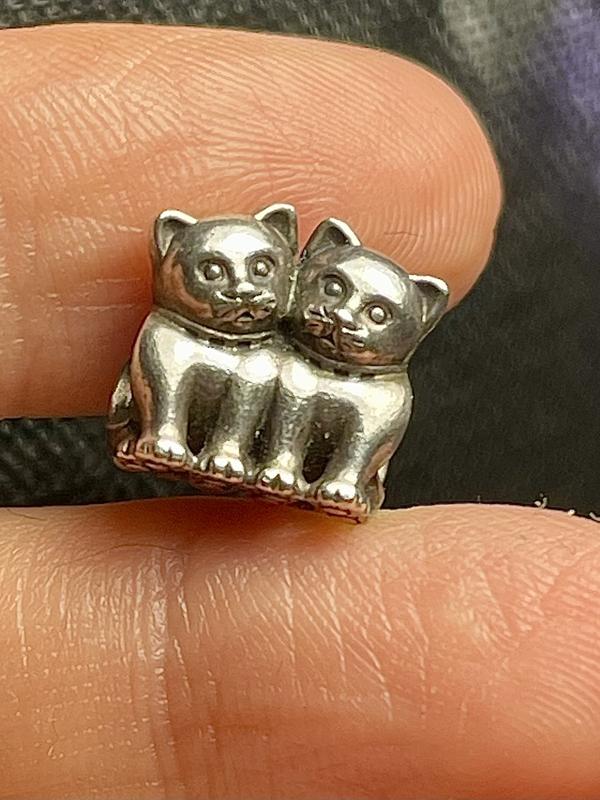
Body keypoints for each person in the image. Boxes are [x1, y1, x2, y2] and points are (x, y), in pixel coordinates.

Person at [0, 22, 597, 800]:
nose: (245, 291)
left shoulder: (351, 376)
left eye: (260, 271)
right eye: (213, 272)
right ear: (169, 256)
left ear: (420, 318)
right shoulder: (180, 335)